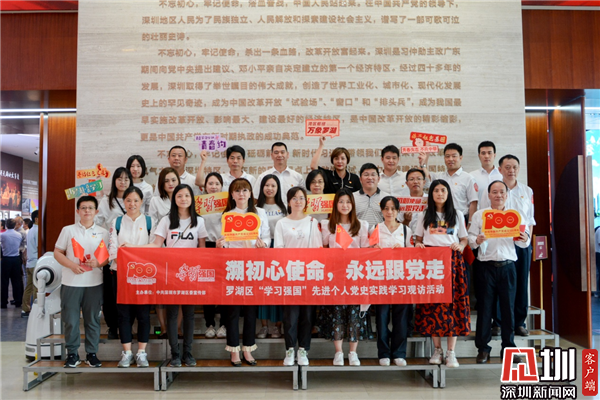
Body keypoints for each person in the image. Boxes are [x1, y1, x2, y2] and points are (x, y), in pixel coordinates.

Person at [468, 180, 530, 364]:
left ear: (507, 194)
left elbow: (524, 242)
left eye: (502, 192)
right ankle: (483, 349)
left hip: (508, 267)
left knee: (508, 309)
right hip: (485, 267)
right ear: (488, 195)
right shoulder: (480, 215)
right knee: (485, 308)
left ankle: (508, 348)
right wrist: (477, 240)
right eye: (494, 192)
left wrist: (524, 238)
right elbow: (470, 239)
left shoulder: (515, 216)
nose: (498, 195)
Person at [145, 184, 208, 367]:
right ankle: (175, 354)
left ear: (192, 198)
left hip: (191, 274)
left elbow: (202, 249)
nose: (183, 199)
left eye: (187, 195)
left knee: (189, 314)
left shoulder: (199, 221)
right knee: (172, 314)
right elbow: (156, 245)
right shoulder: (166, 220)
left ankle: (188, 353)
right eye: (179, 196)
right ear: (174, 199)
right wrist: (132, 248)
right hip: (171, 274)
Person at [414, 180, 470, 369]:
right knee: (433, 305)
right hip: (432, 265)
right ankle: (437, 349)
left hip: (453, 263)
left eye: (443, 190)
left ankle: (451, 352)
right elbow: (418, 239)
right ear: (431, 194)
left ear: (448, 193)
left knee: (453, 305)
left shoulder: (457, 214)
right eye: (436, 190)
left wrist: (460, 245)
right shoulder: (424, 215)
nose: (439, 193)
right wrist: (418, 245)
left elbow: (464, 239)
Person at [217, 178, 270, 366]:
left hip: (254, 266)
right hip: (234, 266)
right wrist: (221, 245)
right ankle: (234, 350)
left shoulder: (260, 212)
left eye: (245, 190)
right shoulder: (227, 215)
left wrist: (264, 244)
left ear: (250, 193)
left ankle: (248, 348)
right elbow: (224, 241)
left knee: (250, 310)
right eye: (237, 191)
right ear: (232, 194)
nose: (241, 194)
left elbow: (267, 237)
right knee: (232, 310)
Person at [54, 196, 110, 368]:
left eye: (90, 208)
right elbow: (57, 252)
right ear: (78, 211)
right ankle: (72, 354)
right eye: (83, 208)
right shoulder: (68, 230)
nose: (87, 211)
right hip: (71, 282)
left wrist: (98, 263)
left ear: (96, 211)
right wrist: (72, 265)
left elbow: (107, 258)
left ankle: (92, 354)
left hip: (94, 283)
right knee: (70, 320)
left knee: (92, 320)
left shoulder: (103, 232)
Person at [320, 189, 369, 366]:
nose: (345, 205)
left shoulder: (362, 225)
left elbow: (365, 251)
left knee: (355, 314)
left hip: (355, 275)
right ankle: (339, 352)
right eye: (341, 202)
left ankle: (353, 353)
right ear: (335, 205)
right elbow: (323, 248)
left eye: (348, 202)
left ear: (353, 205)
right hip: (335, 276)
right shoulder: (327, 225)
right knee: (337, 313)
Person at [274, 187, 322, 366]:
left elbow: (318, 249)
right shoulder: (281, 223)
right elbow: (278, 249)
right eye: (294, 198)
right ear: (288, 202)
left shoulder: (312, 222)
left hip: (308, 274)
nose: (298, 201)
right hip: (289, 274)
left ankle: (303, 349)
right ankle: (289, 349)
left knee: (307, 315)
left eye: (301, 198)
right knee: (290, 316)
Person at [108, 187, 153, 368]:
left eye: (135, 200)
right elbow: (112, 248)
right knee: (123, 314)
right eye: (128, 200)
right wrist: (124, 259)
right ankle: (126, 353)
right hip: (121, 274)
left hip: (144, 275)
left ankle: (141, 352)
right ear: (124, 202)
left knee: (143, 314)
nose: (132, 204)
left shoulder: (150, 221)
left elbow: (155, 247)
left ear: (141, 202)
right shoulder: (117, 221)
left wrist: (132, 252)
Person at [496, 154, 536, 337]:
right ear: (500, 170)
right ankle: (498, 322)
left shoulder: (527, 191)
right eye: (507, 167)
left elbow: (530, 220)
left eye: (514, 167)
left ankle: (519, 322)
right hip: (501, 243)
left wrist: (528, 241)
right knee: (501, 283)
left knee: (521, 282)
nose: (511, 170)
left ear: (519, 169)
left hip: (521, 242)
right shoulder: (496, 190)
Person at [372, 197, 413, 367]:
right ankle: (383, 353)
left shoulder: (406, 230)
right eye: (386, 208)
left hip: (401, 279)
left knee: (401, 318)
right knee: (381, 317)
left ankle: (399, 353)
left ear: (398, 211)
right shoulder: (375, 229)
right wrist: (374, 250)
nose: (389, 212)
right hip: (381, 279)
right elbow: (368, 252)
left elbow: (413, 255)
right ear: (381, 210)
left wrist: (403, 251)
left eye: (393, 209)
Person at [96, 167, 133, 340]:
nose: (123, 182)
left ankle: (127, 325)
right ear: (114, 181)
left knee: (129, 291)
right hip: (111, 252)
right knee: (110, 292)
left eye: (126, 179)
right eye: (119, 178)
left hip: (131, 252)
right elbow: (97, 222)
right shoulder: (106, 201)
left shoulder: (134, 198)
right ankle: (112, 326)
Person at [147, 167, 180, 338]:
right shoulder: (155, 200)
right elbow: (152, 225)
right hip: (160, 250)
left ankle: (177, 328)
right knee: (160, 291)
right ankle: (163, 327)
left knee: (180, 292)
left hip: (180, 252)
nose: (170, 183)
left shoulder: (184, 197)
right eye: (166, 181)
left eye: (173, 180)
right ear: (161, 183)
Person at [255, 174, 287, 339]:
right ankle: (264, 326)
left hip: (280, 248)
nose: (270, 188)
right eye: (266, 185)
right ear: (262, 188)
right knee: (263, 288)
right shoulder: (255, 208)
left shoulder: (285, 207)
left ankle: (277, 327)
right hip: (261, 249)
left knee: (278, 288)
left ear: (278, 188)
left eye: (273, 185)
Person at [200, 172, 227, 340]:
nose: (214, 187)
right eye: (210, 183)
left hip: (224, 246)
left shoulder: (227, 204)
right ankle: (209, 324)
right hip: (206, 246)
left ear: (222, 186)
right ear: (205, 186)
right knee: (207, 286)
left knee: (224, 285)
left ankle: (224, 324)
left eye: (217, 183)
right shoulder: (200, 204)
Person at [424, 143, 478, 223]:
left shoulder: (468, 178)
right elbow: (426, 178)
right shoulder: (439, 176)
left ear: (460, 157)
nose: (450, 159)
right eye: (447, 156)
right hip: (440, 219)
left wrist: (470, 223)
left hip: (461, 219)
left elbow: (473, 202)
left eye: (454, 156)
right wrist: (424, 162)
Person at [353, 163, 390, 230]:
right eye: (366, 175)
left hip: (380, 235)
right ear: (360, 179)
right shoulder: (352, 197)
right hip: (358, 235)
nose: (370, 178)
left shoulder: (387, 198)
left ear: (378, 179)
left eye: (373, 175)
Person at [469, 141, 502, 210]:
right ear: (479, 156)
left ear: (494, 155)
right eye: (483, 153)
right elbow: (471, 201)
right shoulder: (471, 176)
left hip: (500, 214)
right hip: (479, 214)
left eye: (489, 153)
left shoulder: (502, 175)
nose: (486, 156)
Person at [1, 219, 25, 309]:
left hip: (6, 259)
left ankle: (3, 302)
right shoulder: (19, 235)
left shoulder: (2, 235)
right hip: (16, 259)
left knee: (4, 281)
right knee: (16, 281)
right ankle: (18, 301)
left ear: (6, 226)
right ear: (15, 225)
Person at [21, 210, 39, 317]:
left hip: (29, 263)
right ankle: (36, 311)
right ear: (36, 219)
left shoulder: (30, 230)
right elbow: (38, 246)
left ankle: (25, 309)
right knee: (37, 288)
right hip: (36, 263)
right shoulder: (37, 231)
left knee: (28, 287)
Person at [399, 168, 427, 233]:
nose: (415, 182)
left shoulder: (431, 200)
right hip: (408, 237)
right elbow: (398, 228)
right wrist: (406, 221)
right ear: (407, 183)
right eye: (411, 179)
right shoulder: (402, 202)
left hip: (427, 237)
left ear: (424, 182)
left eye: (419, 179)